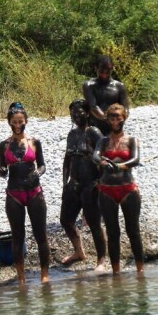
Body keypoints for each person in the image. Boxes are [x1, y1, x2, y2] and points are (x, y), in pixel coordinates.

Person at [0, 102, 50, 284]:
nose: (18, 125)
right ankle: (21, 277)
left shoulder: (34, 143)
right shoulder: (3, 145)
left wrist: (38, 172)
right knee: (17, 236)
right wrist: (3, 170)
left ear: (26, 121)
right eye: (14, 122)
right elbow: (2, 168)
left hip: (35, 191)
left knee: (40, 234)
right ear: (10, 123)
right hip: (14, 194)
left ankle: (45, 274)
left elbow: (42, 165)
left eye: (21, 121)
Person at [92, 103, 144, 275]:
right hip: (107, 190)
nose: (115, 121)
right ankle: (116, 273)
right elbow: (95, 156)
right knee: (113, 232)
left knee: (133, 230)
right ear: (107, 119)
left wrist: (119, 167)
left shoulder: (131, 140)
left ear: (124, 118)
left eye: (118, 117)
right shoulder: (103, 140)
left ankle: (140, 270)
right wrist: (103, 163)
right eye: (112, 117)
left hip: (128, 189)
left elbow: (135, 160)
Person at [60, 99, 107, 270]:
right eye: (73, 112)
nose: (76, 115)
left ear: (87, 113)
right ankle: (79, 251)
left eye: (79, 111)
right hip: (74, 185)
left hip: (91, 185)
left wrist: (100, 182)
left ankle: (101, 260)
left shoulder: (93, 132)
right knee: (65, 220)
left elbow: (105, 156)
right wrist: (64, 184)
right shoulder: (71, 135)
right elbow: (67, 160)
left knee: (94, 223)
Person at [82, 55, 129, 135]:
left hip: (114, 125)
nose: (105, 73)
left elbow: (126, 109)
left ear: (112, 68)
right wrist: (106, 118)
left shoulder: (120, 86)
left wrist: (117, 119)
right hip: (95, 127)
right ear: (96, 68)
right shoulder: (89, 85)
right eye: (102, 70)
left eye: (108, 70)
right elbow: (93, 106)